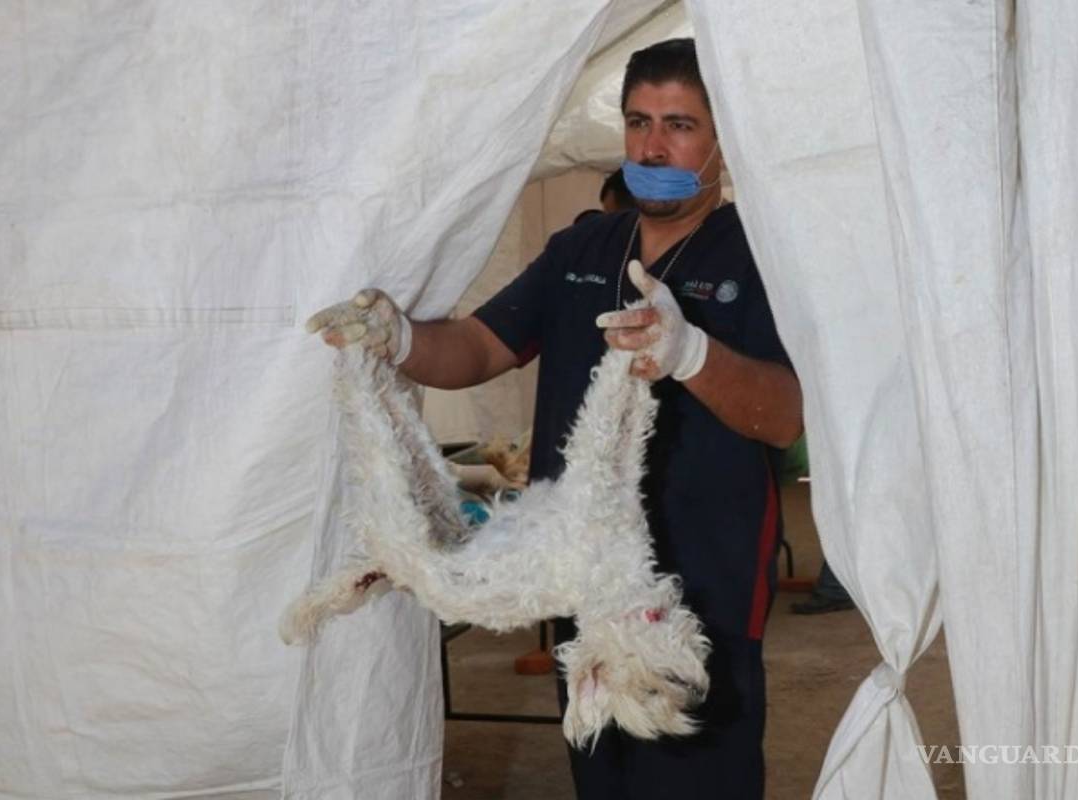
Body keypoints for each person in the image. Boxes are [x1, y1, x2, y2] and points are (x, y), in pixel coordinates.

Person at [308, 38, 802, 800]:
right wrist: (399, 339)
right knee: (602, 775)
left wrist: (691, 352)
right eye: (639, 122)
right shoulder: (584, 244)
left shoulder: (762, 254)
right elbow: (477, 346)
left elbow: (786, 416)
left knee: (700, 777)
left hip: (704, 589)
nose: (652, 145)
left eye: (681, 125)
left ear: (724, 139)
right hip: (577, 581)